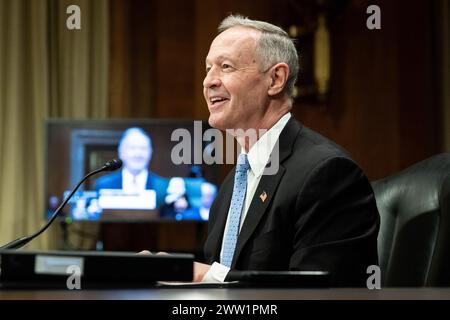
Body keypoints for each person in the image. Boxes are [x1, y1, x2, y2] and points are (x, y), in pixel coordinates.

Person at [193, 15, 380, 286]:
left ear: (275, 79)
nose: (209, 81)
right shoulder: (230, 187)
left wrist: (204, 275)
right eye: (208, 68)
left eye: (225, 66)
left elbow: (321, 292)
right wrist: (171, 274)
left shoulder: (328, 174)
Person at [95, 127, 169, 208]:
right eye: (132, 148)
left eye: (143, 148)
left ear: (150, 152)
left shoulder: (163, 186)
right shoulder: (104, 185)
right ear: (121, 152)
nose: (138, 154)